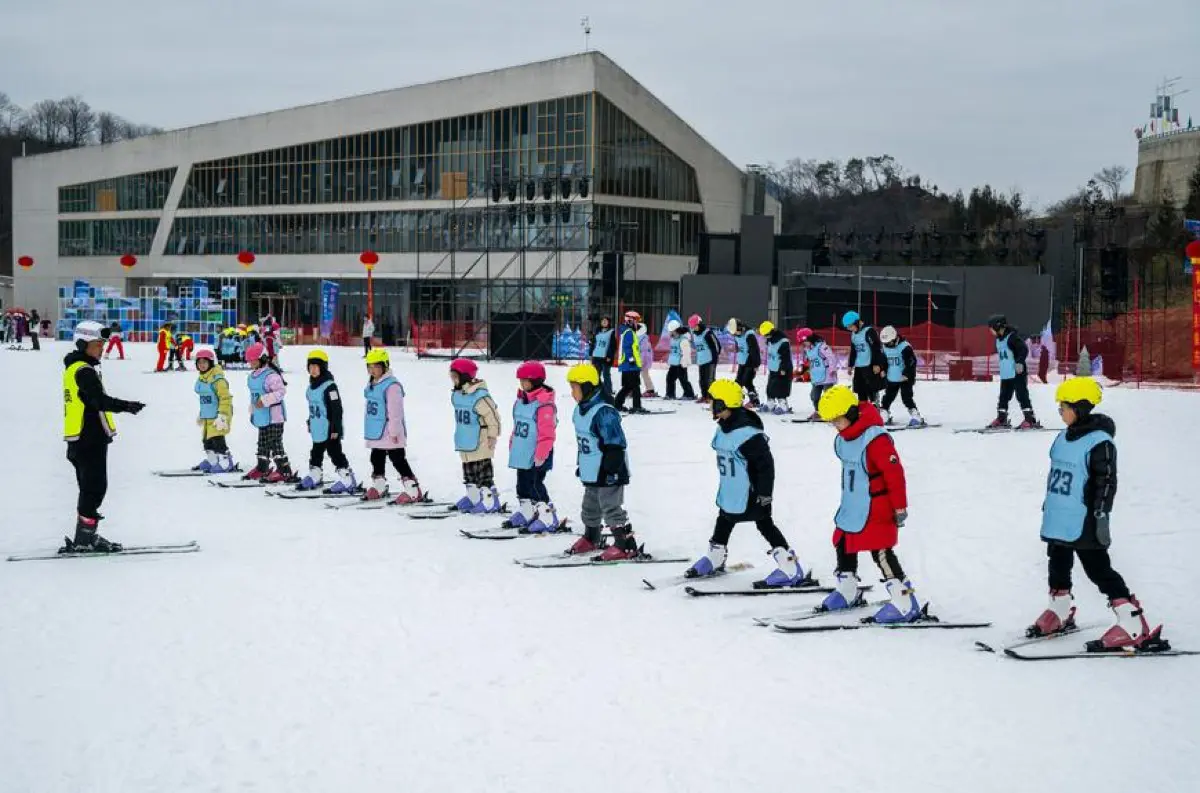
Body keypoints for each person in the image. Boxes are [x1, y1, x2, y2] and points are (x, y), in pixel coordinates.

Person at [1028, 377, 1165, 651]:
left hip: (1085, 519)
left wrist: (1101, 515)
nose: (1060, 412)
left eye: (1063, 407)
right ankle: (1060, 610)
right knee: (1057, 563)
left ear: (1078, 407)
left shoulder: (1099, 443)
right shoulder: (1062, 437)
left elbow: (1106, 482)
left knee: (1097, 569)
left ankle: (1133, 623)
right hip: (1059, 517)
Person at [685, 380, 808, 588]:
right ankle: (715, 557)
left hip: (752, 492)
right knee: (724, 519)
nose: (710, 405)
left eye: (714, 401)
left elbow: (766, 466)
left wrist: (765, 493)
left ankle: (790, 567)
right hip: (731, 489)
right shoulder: (723, 427)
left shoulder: (749, 435)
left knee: (765, 524)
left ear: (723, 405)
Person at [815, 385, 923, 624]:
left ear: (851, 413)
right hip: (852, 504)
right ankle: (847, 590)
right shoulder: (845, 437)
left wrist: (899, 507)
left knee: (880, 550)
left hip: (877, 506)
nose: (835, 425)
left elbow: (894, 474)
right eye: (831, 421)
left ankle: (904, 601)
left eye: (837, 420)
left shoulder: (876, 439)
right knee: (843, 541)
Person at [61, 321, 145, 553]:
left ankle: (85, 536)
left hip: (81, 437)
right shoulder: (83, 371)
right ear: (83, 344)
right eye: (97, 344)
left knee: (90, 487)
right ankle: (85, 539)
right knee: (94, 487)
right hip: (88, 437)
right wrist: (127, 406)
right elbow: (97, 401)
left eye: (102, 344)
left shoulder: (78, 367)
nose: (102, 348)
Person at [564, 362, 643, 560]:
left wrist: (610, 468)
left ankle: (626, 544)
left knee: (611, 508)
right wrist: (582, 466)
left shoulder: (604, 412)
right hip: (591, 470)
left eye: (575, 388)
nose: (572, 392)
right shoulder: (580, 411)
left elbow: (615, 444)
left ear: (588, 387)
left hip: (609, 471)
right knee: (589, 507)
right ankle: (592, 537)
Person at [363, 348, 424, 503]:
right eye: (369, 366)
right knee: (376, 457)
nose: (372, 370)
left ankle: (413, 489)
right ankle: (379, 485)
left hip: (390, 430)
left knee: (397, 458)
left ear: (384, 366)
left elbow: (395, 411)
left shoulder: (392, 386)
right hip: (376, 430)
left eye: (376, 366)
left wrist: (395, 431)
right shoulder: (373, 384)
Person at [506, 360, 560, 532]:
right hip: (523, 451)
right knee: (522, 485)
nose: (522, 384)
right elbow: (517, 426)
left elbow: (547, 433)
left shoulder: (544, 405)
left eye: (525, 381)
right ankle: (527, 511)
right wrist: (512, 443)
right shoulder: (522, 401)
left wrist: (541, 454)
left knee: (535, 485)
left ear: (536, 381)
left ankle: (547, 516)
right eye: (520, 381)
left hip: (538, 454)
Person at [449, 357, 503, 513]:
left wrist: (493, 436)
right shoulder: (458, 395)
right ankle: (473, 496)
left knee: (482, 471)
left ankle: (489, 499)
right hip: (464, 439)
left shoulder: (479, 396)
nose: (453, 380)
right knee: (469, 470)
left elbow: (493, 417)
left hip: (481, 440)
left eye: (455, 377)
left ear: (464, 376)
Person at [301, 349, 358, 493]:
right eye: (310, 366)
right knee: (316, 452)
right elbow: (314, 407)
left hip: (330, 428)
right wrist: (310, 421)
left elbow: (337, 409)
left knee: (335, 452)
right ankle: (315, 475)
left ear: (323, 367)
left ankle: (347, 478)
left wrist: (335, 428)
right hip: (317, 426)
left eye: (316, 366)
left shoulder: (330, 386)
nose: (313, 370)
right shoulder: (310, 388)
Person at [243, 342, 297, 483]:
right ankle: (262, 467)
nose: (251, 364)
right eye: (250, 361)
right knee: (262, 443)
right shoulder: (253, 376)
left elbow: (280, 392)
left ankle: (284, 470)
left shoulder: (271, 376)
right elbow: (256, 394)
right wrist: (253, 406)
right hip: (262, 416)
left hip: (274, 417)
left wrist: (265, 400)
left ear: (262, 359)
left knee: (274, 443)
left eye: (253, 361)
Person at [986, 314, 1040, 429]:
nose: (990, 331)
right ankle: (1001, 419)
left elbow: (1023, 349)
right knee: (1003, 396)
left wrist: (1020, 362)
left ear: (998, 326)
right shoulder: (999, 339)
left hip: (1017, 372)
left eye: (991, 328)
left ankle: (1030, 419)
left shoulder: (1012, 337)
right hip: (1006, 373)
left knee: (1021, 395)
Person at [193, 348, 236, 473]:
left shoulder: (218, 380)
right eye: (199, 363)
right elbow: (206, 400)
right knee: (206, 441)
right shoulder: (203, 379)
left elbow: (225, 398)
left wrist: (222, 415)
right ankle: (213, 460)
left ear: (210, 363)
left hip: (219, 415)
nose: (202, 365)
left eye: (204, 362)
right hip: (208, 416)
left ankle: (226, 462)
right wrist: (201, 414)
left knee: (218, 440)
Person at [879, 325, 923, 427]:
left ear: (895, 338)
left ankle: (916, 416)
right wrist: (883, 370)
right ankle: (884, 414)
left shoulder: (904, 347)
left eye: (889, 342)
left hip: (905, 379)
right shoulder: (885, 348)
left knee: (906, 397)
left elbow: (911, 362)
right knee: (887, 397)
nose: (887, 345)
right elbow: (884, 361)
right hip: (891, 378)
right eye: (885, 343)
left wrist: (906, 374)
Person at [842, 311, 885, 405]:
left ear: (856, 322)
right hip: (859, 366)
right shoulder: (854, 334)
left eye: (850, 326)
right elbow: (853, 350)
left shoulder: (869, 331)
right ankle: (864, 408)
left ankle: (875, 406)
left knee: (871, 388)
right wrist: (850, 365)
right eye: (848, 327)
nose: (849, 329)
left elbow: (877, 348)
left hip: (869, 365)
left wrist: (877, 364)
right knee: (859, 389)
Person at [798, 328, 838, 421]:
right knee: (814, 396)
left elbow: (831, 357)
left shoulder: (822, 346)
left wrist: (832, 369)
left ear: (810, 339)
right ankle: (818, 411)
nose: (804, 344)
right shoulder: (807, 349)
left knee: (828, 395)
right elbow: (807, 361)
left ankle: (831, 412)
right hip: (816, 376)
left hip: (827, 375)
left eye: (805, 341)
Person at [613, 310, 645, 414]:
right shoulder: (629, 333)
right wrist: (631, 359)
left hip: (628, 365)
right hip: (630, 365)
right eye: (636, 321)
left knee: (628, 386)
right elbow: (627, 348)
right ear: (630, 321)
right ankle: (637, 406)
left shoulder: (627, 332)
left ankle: (617, 404)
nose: (637, 324)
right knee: (635, 386)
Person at [727, 318, 762, 407]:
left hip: (750, 362)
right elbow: (738, 344)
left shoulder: (749, 335)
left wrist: (756, 365)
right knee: (738, 382)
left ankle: (754, 401)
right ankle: (736, 399)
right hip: (742, 361)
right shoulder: (736, 335)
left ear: (740, 328)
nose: (735, 335)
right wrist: (737, 349)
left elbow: (755, 350)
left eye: (736, 332)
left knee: (747, 381)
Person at [761, 321, 793, 415]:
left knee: (781, 388)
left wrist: (783, 369)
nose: (765, 337)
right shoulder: (770, 340)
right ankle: (770, 404)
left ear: (772, 331)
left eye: (766, 335)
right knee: (770, 387)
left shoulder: (783, 342)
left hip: (782, 369)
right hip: (773, 368)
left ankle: (784, 407)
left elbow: (786, 357)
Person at [688, 314, 720, 403]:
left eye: (695, 327)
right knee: (702, 380)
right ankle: (704, 396)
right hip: (701, 360)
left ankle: (711, 397)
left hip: (710, 360)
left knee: (710, 380)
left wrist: (714, 359)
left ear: (699, 324)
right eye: (692, 327)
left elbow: (717, 346)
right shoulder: (695, 334)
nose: (693, 329)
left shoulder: (707, 333)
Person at [664, 320, 696, 400]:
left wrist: (684, 362)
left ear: (676, 330)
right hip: (674, 364)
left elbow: (686, 353)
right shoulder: (673, 339)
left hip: (681, 363)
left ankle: (689, 394)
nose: (670, 333)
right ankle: (670, 394)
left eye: (671, 331)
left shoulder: (683, 340)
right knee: (669, 378)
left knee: (683, 380)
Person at [589, 316, 616, 397]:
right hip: (596, 356)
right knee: (596, 375)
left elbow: (613, 346)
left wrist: (609, 356)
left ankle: (608, 390)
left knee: (606, 374)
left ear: (609, 322)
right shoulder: (597, 331)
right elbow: (593, 343)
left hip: (605, 357)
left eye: (606, 321)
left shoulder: (612, 332)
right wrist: (591, 353)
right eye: (602, 321)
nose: (604, 322)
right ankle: (597, 390)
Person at [637, 323, 657, 397]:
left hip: (643, 361)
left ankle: (650, 390)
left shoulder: (643, 339)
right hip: (641, 360)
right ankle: (649, 389)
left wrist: (642, 361)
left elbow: (644, 352)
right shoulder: (640, 337)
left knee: (644, 375)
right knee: (643, 375)